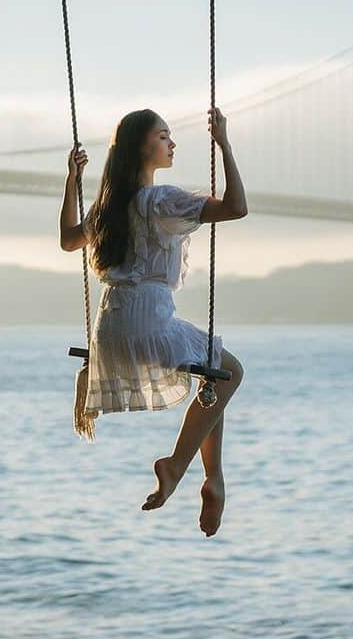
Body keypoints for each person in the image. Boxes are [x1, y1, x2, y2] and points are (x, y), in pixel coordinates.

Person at [59, 106, 247, 536]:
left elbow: (69, 240)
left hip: (109, 332)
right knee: (229, 372)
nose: (172, 143)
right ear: (142, 147)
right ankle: (179, 466)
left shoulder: (108, 207)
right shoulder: (161, 202)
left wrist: (71, 180)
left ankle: (212, 479)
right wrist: (224, 143)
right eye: (164, 136)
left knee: (213, 375)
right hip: (148, 321)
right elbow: (237, 207)